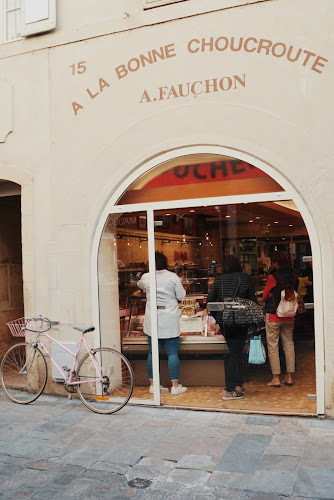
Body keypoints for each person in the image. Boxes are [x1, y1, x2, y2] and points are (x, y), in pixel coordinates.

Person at [206, 255, 257, 400]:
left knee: (235, 353)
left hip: (225, 323)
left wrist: (219, 317)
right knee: (236, 354)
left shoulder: (219, 279)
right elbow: (252, 301)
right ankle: (229, 389)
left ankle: (238, 386)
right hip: (240, 321)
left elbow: (210, 302)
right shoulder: (244, 278)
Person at [137, 251, 188, 395]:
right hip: (170, 318)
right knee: (172, 353)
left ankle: (153, 385)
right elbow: (181, 295)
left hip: (153, 318)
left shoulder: (146, 277)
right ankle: (175, 386)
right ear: (165, 263)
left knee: (153, 353)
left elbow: (139, 285)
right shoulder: (173, 277)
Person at [263, 251, 298, 387]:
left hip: (274, 315)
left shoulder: (273, 276)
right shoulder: (295, 276)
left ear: (276, 263)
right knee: (289, 344)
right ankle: (289, 377)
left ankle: (276, 379)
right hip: (289, 316)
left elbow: (265, 296)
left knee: (273, 346)